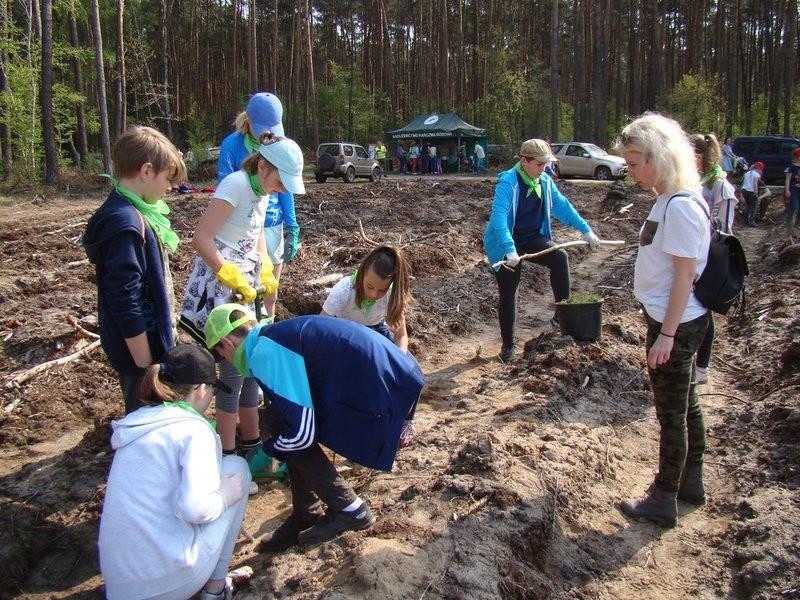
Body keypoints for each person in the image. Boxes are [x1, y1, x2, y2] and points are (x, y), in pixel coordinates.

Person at [203, 305, 425, 552]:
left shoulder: (265, 352)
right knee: (278, 417)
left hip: (388, 392)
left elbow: (301, 435)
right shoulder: (270, 338)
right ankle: (306, 512)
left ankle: (349, 509)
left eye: (221, 355)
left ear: (227, 343)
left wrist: (267, 453)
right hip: (397, 379)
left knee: (285, 429)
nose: (227, 362)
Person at [179, 132, 303, 467]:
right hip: (220, 287)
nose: (282, 189)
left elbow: (256, 233)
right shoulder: (235, 185)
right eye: (281, 181)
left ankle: (251, 446)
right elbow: (201, 239)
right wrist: (227, 272)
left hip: (247, 285)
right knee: (231, 373)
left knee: (252, 367)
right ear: (263, 166)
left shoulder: (262, 191)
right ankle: (228, 453)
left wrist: (264, 269)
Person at [615, 113, 711, 528]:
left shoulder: (681, 207)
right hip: (674, 320)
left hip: (678, 323)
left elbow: (685, 277)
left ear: (659, 157)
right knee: (686, 405)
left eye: (635, 163)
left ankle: (663, 497)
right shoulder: (669, 199)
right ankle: (691, 483)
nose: (630, 171)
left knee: (671, 413)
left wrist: (667, 335)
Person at [98, 344, 251, 600]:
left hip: (119, 585)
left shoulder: (136, 426)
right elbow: (196, 510)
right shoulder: (193, 430)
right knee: (236, 469)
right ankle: (214, 592)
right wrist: (225, 496)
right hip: (166, 582)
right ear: (201, 389)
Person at [83, 126, 187, 415]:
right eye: (167, 178)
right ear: (146, 171)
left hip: (148, 346)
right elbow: (124, 299)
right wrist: (145, 365)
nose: (169, 187)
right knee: (145, 418)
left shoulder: (133, 212)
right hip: (140, 354)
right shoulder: (125, 225)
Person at [483, 138, 601, 362]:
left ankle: (562, 316)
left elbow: (562, 206)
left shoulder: (545, 181)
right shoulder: (508, 182)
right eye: (539, 164)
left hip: (532, 238)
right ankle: (508, 346)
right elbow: (498, 218)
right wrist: (509, 249)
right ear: (524, 161)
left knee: (559, 257)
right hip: (504, 242)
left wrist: (585, 230)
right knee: (509, 292)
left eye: (546, 164)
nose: (544, 168)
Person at [320, 244, 417, 446]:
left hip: (376, 330)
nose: (374, 294)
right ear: (362, 273)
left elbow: (401, 335)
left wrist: (399, 363)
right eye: (370, 286)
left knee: (413, 373)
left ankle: (405, 420)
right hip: (343, 334)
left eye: (381, 290)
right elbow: (320, 329)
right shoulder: (343, 291)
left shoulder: (392, 294)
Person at [217, 92, 301, 317]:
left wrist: (291, 225)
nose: (268, 134)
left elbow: (286, 186)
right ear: (249, 121)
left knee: (269, 289)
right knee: (243, 291)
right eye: (263, 128)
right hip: (242, 226)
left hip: (270, 222)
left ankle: (267, 330)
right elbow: (224, 189)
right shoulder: (232, 146)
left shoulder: (278, 143)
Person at [690, 133, 738, 386]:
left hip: (709, 256)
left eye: (694, 154)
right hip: (691, 253)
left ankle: (701, 367)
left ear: (703, 155)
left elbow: (725, 229)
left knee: (704, 310)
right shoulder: (691, 181)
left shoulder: (719, 185)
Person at [783, 147, 800, 238]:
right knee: (792, 208)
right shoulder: (792, 167)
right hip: (794, 190)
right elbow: (788, 179)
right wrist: (787, 190)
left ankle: (797, 227)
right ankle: (789, 229)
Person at [742, 161, 764, 226]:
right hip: (751, 191)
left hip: (744, 191)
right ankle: (751, 221)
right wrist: (756, 192)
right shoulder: (756, 175)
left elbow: (743, 183)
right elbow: (755, 184)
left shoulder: (746, 173)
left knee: (748, 205)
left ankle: (745, 220)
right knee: (754, 206)